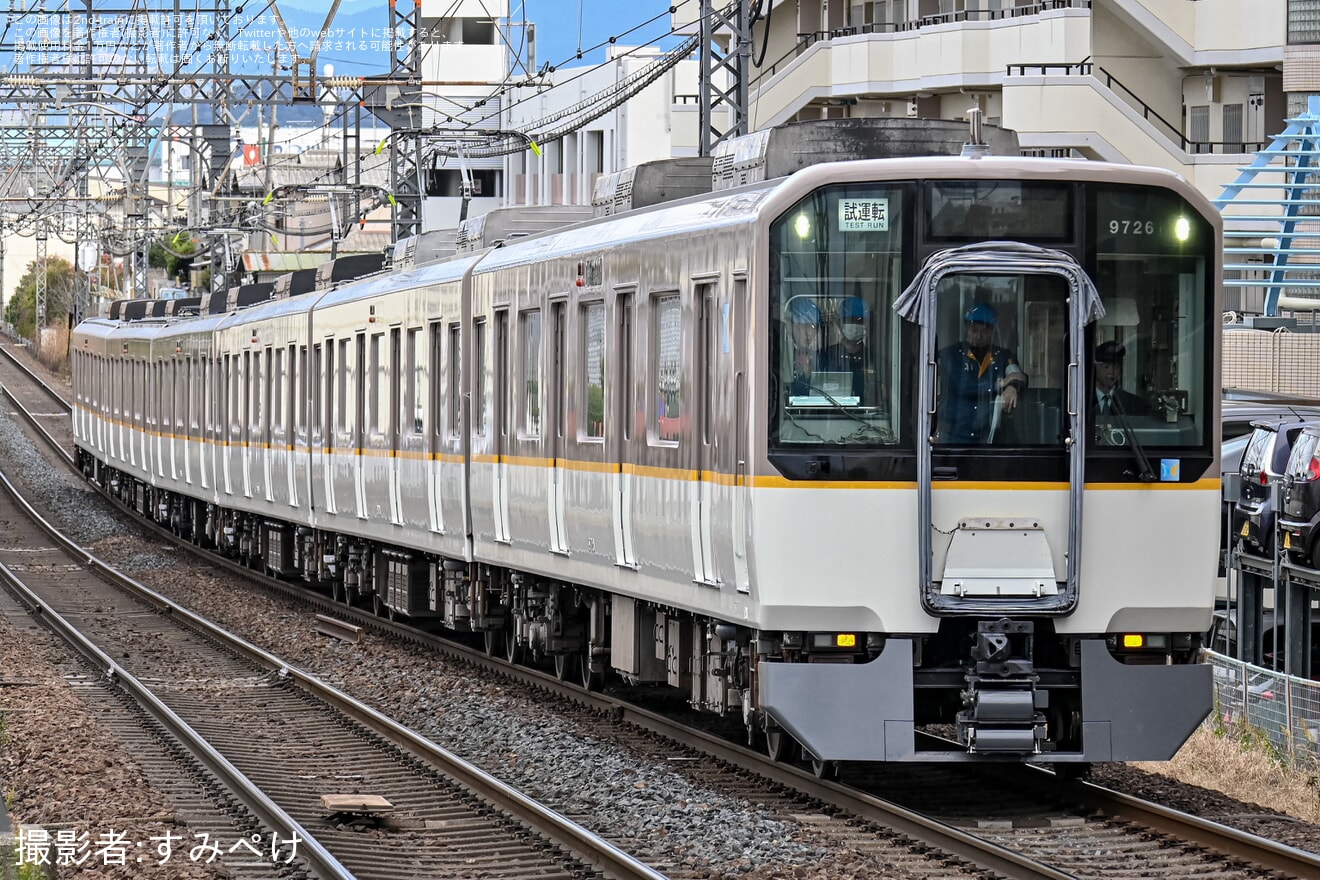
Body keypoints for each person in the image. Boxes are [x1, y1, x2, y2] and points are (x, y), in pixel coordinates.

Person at [937, 302, 1026, 443]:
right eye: (974, 330)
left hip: (989, 437)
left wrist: (1012, 387)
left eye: (985, 331)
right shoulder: (950, 355)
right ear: (966, 328)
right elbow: (963, 386)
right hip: (954, 436)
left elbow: (1017, 375)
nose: (979, 336)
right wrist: (1000, 384)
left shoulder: (1002, 355)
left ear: (993, 331)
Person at [820, 295, 882, 406]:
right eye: (849, 320)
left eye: (860, 321)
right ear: (839, 323)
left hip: (867, 419)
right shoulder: (824, 355)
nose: (855, 325)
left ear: (866, 325)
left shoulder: (874, 359)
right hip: (830, 417)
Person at [1092, 340, 1148, 419]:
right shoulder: (1083, 400)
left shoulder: (1134, 403)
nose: (1111, 372)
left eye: (1116, 367)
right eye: (1106, 367)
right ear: (1096, 367)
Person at [785, 297, 821, 398]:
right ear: (791, 326)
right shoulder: (784, 355)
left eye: (813, 327)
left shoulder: (821, 358)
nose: (809, 333)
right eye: (804, 326)